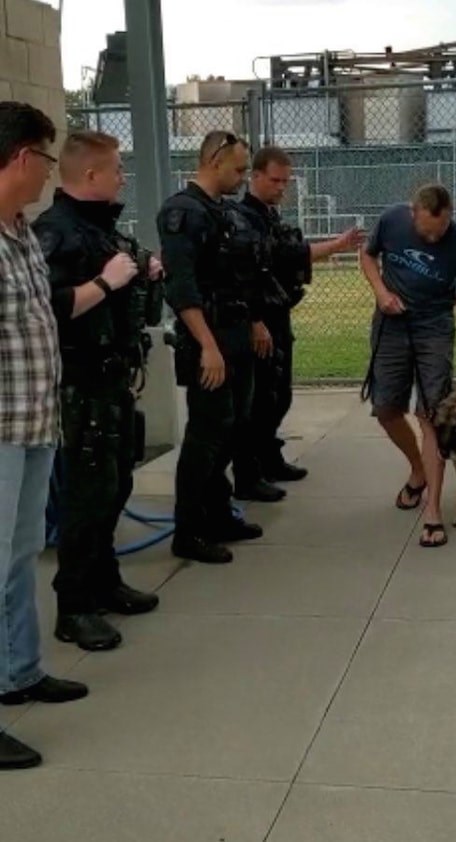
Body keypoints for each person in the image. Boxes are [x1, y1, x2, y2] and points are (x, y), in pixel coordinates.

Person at [33, 131, 163, 652]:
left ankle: (104, 581)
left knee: (115, 485)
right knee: (85, 498)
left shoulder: (99, 230)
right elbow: (48, 310)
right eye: (116, 170)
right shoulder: (55, 232)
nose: (123, 178)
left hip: (112, 380)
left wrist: (142, 273)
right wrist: (108, 282)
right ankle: (75, 605)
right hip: (79, 383)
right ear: (91, 176)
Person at [0, 102, 88, 770]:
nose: (47, 176)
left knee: (21, 555)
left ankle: (20, 672)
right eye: (46, 159)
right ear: (24, 158)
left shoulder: (19, 232)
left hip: (31, 424)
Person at [157, 131, 264, 565]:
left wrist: (255, 323)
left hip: (234, 334)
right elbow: (181, 288)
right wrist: (207, 346)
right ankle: (189, 530)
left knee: (231, 429)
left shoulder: (223, 213)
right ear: (214, 160)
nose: (241, 178)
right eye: (238, 169)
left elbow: (240, 276)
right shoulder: (182, 213)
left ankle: (218, 515)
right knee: (205, 437)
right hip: (209, 340)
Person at [360, 184, 456, 549]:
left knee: (432, 416)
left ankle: (432, 511)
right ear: (413, 213)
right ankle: (418, 469)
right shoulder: (391, 220)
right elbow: (367, 257)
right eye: (427, 231)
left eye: (441, 230)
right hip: (391, 324)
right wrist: (381, 293)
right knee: (386, 409)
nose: (434, 238)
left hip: (434, 328)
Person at [238, 145, 364, 483]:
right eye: (275, 180)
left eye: (286, 182)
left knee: (278, 393)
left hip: (277, 314)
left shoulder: (267, 216)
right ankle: (251, 471)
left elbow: (293, 256)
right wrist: (338, 246)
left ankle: (268, 458)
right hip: (261, 317)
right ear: (256, 176)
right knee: (263, 397)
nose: (282, 187)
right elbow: (287, 256)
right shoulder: (246, 219)